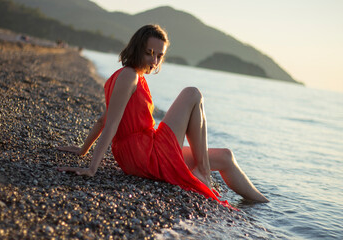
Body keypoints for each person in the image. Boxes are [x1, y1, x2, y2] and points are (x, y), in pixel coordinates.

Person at [57, 25, 268, 204]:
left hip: (142, 149)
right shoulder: (129, 76)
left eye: (159, 56)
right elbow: (111, 123)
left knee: (226, 157)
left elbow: (102, 118)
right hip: (142, 153)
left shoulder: (127, 76)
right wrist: (92, 168)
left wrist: (83, 149)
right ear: (137, 48)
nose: (155, 61)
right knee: (192, 93)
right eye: (150, 53)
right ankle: (203, 173)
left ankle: (263, 205)